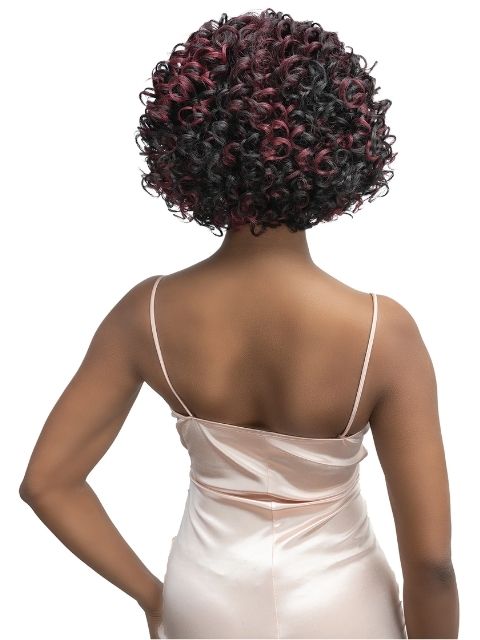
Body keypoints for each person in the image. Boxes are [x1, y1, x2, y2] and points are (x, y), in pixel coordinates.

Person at [19, 8, 459, 639]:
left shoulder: (147, 313)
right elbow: (432, 565)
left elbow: (48, 483)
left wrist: (155, 598)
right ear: (339, 143)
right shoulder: (381, 332)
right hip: (342, 604)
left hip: (205, 598)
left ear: (189, 147)